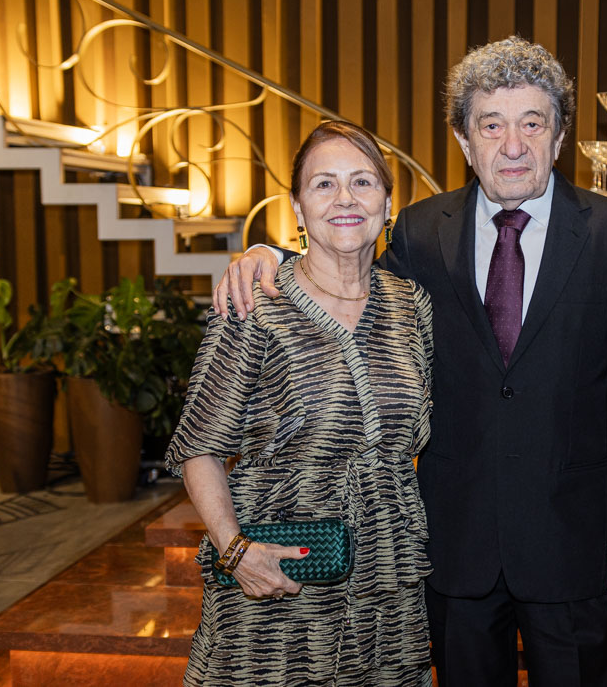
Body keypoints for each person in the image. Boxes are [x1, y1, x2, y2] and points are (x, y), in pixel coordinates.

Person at [216, 36, 607, 687]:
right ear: (464, 141)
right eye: (492, 125)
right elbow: (348, 277)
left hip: (572, 543)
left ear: (560, 136)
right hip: (456, 545)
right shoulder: (424, 231)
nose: (513, 145)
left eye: (532, 123)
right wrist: (273, 255)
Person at [166, 120, 435, 686]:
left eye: (362, 182)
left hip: (387, 577)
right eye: (324, 184)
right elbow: (198, 447)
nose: (345, 199)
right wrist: (234, 550)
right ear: (297, 206)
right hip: (279, 571)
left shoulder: (411, 304)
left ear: (388, 204)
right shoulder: (255, 301)